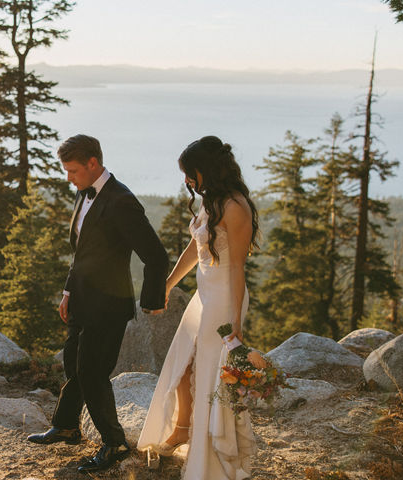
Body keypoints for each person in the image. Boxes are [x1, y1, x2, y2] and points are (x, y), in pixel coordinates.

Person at [27, 134, 169, 473]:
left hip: (108, 304)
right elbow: (82, 253)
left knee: (92, 372)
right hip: (82, 299)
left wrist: (152, 301)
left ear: (94, 164)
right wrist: (67, 292)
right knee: (74, 365)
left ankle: (115, 442)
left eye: (73, 171)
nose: (68, 178)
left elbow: (156, 255)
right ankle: (66, 426)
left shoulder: (121, 201)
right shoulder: (84, 191)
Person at [137, 135, 260, 479]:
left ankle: (207, 452)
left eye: (191, 173)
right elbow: (196, 247)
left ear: (206, 169)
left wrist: (235, 321)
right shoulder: (212, 201)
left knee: (207, 372)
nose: (188, 181)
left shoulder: (236, 207)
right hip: (203, 295)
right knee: (182, 359)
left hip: (224, 299)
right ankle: (181, 428)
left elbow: (236, 267)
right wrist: (168, 284)